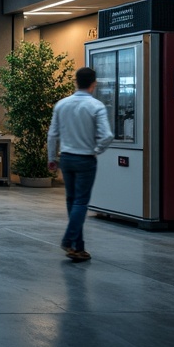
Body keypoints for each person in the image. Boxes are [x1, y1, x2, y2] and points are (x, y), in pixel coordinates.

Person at [47, 66, 114, 262]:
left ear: (75, 82)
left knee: (72, 201)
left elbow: (52, 134)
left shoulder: (61, 104)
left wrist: (52, 158)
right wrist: (96, 150)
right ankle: (69, 240)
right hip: (85, 159)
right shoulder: (96, 106)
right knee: (81, 202)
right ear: (93, 84)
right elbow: (107, 135)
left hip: (66, 158)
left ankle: (78, 248)